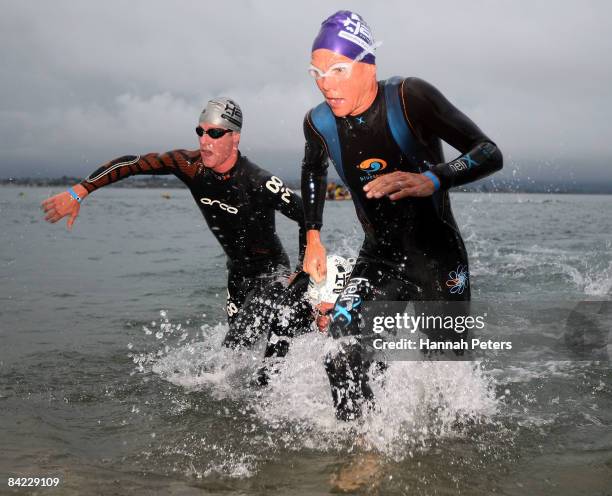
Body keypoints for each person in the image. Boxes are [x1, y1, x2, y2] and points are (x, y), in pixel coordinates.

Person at [301, 11, 503, 420]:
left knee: (449, 385)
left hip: (438, 258)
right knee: (342, 350)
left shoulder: (410, 98)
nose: (325, 83)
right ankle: (364, 449)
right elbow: (312, 170)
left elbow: (488, 151)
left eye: (338, 70)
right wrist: (313, 237)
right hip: (380, 259)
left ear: (368, 66)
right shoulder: (318, 123)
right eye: (316, 72)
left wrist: (434, 178)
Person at [41, 97, 306, 344]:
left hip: (271, 273)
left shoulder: (258, 181)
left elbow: (306, 215)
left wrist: (302, 270)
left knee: (236, 344)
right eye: (200, 131)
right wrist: (80, 191)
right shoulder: (188, 165)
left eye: (214, 133)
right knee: (235, 358)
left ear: (234, 138)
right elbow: (133, 164)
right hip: (236, 273)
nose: (205, 141)